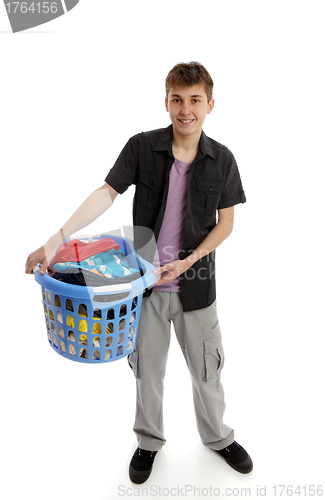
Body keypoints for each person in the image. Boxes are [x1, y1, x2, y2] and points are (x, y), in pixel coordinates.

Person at [25, 62, 252, 484]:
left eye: (195, 100)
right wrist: (55, 240)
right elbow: (106, 193)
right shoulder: (142, 148)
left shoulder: (223, 160)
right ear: (166, 102)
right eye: (178, 99)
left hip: (197, 289)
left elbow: (226, 223)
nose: (186, 110)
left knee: (207, 371)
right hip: (142, 290)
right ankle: (149, 441)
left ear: (210, 105)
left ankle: (219, 438)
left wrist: (189, 260)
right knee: (147, 370)